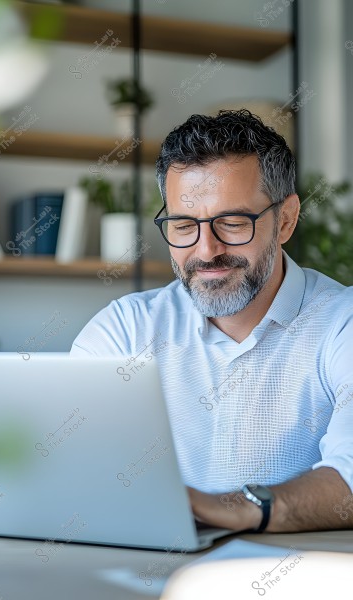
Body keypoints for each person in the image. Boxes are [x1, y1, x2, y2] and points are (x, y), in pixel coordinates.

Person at [70, 109, 353, 533]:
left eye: (233, 223)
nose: (206, 251)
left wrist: (240, 508)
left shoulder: (341, 322)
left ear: (286, 220)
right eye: (184, 225)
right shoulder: (125, 329)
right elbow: (57, 463)